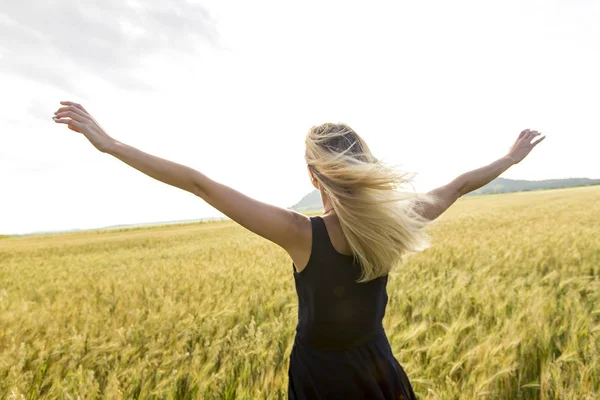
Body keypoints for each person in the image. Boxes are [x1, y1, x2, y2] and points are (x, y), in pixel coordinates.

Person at [52, 101, 545, 399]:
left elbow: (201, 184)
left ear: (313, 176)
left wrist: (111, 144)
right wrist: (509, 156)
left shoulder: (300, 233)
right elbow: (458, 186)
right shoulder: (398, 221)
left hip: (321, 378)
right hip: (377, 365)